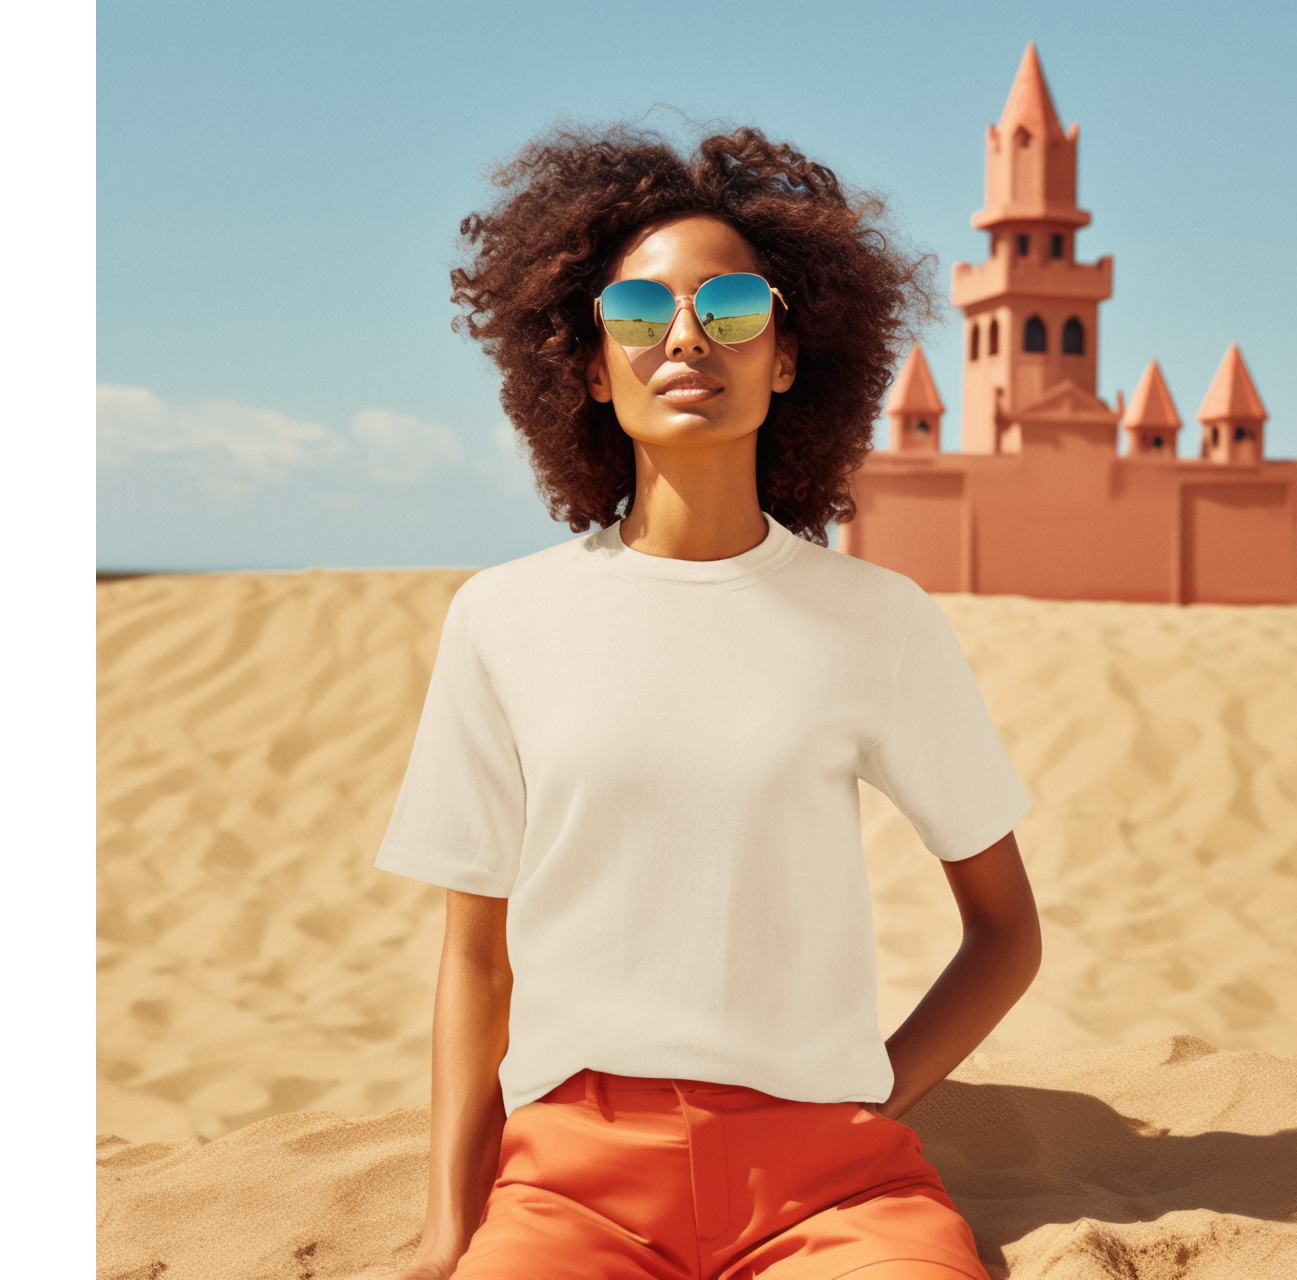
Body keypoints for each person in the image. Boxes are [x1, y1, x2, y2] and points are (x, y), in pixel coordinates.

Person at [372, 123, 1040, 1280]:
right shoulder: (502, 618)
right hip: (573, 1181)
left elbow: (1005, 930)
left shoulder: (877, 619)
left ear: (787, 352)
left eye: (731, 305)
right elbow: (477, 964)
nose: (685, 336)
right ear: (586, 364)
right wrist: (449, 1225)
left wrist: (872, 1091)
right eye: (636, 314)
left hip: (832, 1191)